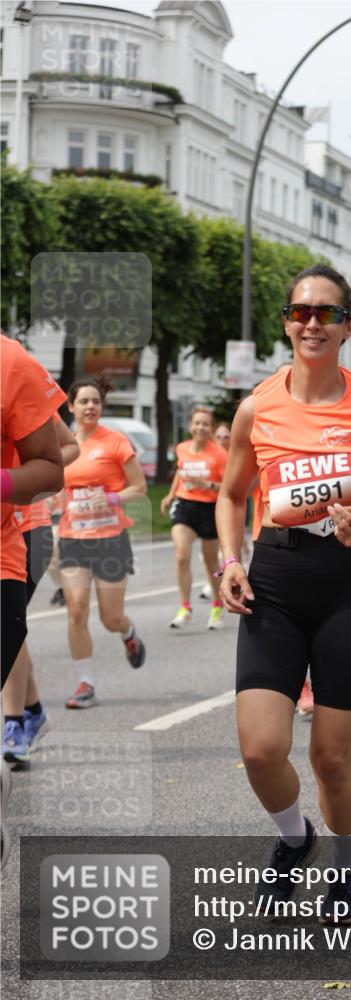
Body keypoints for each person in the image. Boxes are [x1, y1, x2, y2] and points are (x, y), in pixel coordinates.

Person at [217, 264, 351, 922]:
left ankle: (346, 871)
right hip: (273, 580)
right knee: (260, 748)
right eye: (300, 311)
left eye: (326, 313)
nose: (311, 322)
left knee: (331, 757)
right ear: (286, 321)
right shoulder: (256, 405)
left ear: (347, 326)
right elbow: (230, 496)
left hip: (347, 588)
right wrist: (228, 561)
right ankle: (292, 838)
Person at [1, 333, 66, 868]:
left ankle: (18, 716)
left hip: (18, 536)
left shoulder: (13, 363)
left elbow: (56, 457)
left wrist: (6, 481)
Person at [59, 376, 147, 709]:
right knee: (76, 610)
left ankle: (127, 633)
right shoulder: (61, 445)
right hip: (73, 538)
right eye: (83, 401)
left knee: (110, 617)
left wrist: (109, 500)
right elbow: (55, 488)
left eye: (95, 401)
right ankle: (86, 684)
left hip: (111, 538)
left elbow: (138, 487)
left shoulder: (115, 442)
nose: (90, 406)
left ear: (102, 406)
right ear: (71, 406)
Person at [3, 418, 79, 764]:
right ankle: (32, 711)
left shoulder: (17, 384)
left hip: (26, 526)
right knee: (9, 628)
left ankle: (15, 722)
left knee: (6, 626)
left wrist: (25, 474)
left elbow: (70, 445)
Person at [160, 407, 228, 629]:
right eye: (197, 423)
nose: (200, 427)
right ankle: (185, 607)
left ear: (210, 429)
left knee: (211, 562)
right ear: (190, 426)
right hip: (185, 506)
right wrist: (170, 495)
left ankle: (217, 605)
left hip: (209, 509)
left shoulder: (219, 454)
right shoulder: (182, 448)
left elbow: (228, 487)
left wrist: (206, 485)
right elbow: (180, 472)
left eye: (205, 424)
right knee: (181, 555)